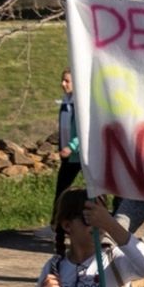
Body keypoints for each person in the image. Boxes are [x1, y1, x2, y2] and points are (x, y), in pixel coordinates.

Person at [54, 70, 80, 200]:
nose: (63, 84)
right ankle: (58, 213)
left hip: (83, 154)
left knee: (96, 190)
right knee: (61, 189)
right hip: (69, 156)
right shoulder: (65, 102)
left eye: (67, 81)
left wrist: (72, 146)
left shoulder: (81, 104)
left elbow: (86, 130)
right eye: (62, 80)